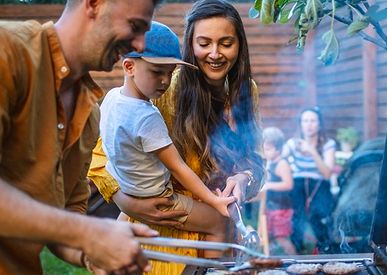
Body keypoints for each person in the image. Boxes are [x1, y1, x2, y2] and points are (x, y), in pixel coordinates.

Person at [88, 0, 264, 273]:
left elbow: (256, 162)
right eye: (204, 43)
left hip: (219, 236)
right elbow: (102, 156)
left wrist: (244, 178)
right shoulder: (164, 85)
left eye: (226, 43)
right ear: (190, 45)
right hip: (162, 237)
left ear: (239, 45)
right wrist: (128, 202)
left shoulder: (246, 91)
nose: (215, 53)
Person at [0, 0, 161, 274]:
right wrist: (87, 232)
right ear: (94, 3)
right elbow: (75, 227)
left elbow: (67, 213)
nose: (140, 46)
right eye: (135, 27)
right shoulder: (9, 51)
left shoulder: (90, 114)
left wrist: (94, 253)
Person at [100, 21, 237, 249]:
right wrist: (214, 200)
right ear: (129, 66)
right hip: (160, 199)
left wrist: (125, 196)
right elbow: (178, 168)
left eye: (170, 72)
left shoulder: (112, 98)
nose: (165, 81)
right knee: (219, 223)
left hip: (128, 188)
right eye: (156, 72)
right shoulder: (147, 117)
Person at [283, 107, 337, 254]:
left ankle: (325, 248)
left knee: (318, 214)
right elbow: (279, 158)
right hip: (298, 182)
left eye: (313, 121)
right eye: (305, 121)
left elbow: (326, 174)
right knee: (297, 215)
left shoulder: (328, 144)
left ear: (319, 124)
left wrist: (312, 151)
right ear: (300, 124)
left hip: (319, 183)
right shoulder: (293, 143)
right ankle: (298, 249)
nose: (309, 124)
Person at [261, 127, 296, 255]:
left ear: (279, 149)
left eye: (268, 149)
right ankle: (270, 261)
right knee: (268, 237)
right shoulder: (270, 162)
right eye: (264, 148)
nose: (265, 152)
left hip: (281, 209)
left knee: (281, 238)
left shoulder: (282, 164)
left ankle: (296, 261)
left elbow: (288, 184)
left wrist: (269, 185)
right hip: (271, 207)